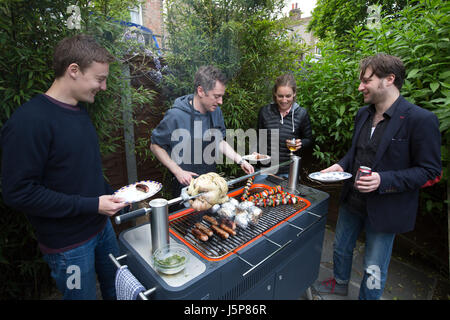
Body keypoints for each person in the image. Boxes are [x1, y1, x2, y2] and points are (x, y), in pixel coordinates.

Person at [1, 34, 129, 300]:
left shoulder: (79, 112)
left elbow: (83, 171)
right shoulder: (29, 121)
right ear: (74, 70)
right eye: (100, 78)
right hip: (67, 246)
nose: (103, 87)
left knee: (118, 289)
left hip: (102, 230)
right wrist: (93, 205)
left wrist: (116, 196)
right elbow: (19, 192)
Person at [312, 53, 442, 300]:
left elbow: (431, 171)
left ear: (389, 79)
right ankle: (339, 283)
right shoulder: (363, 114)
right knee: (340, 247)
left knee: (373, 264)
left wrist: (384, 180)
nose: (360, 86)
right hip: (352, 200)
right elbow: (355, 152)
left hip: (386, 208)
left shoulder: (420, 120)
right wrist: (340, 166)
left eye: (367, 80)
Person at [150, 65, 254, 198]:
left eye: (221, 96)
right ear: (201, 91)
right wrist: (177, 171)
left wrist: (240, 160)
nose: (221, 102)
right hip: (184, 184)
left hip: (210, 182)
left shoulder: (215, 111)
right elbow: (155, 146)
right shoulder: (175, 115)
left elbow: (219, 141)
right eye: (216, 96)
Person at [255, 73, 312, 182]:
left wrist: (301, 143)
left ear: (294, 94)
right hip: (266, 169)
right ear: (275, 94)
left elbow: (308, 140)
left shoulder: (302, 114)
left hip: (290, 170)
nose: (284, 100)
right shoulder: (265, 112)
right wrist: (256, 153)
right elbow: (259, 138)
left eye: (288, 96)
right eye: (280, 96)